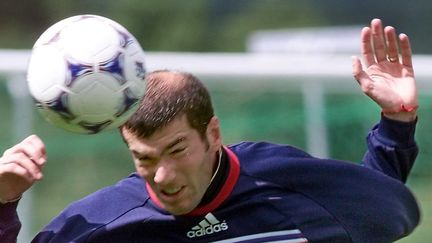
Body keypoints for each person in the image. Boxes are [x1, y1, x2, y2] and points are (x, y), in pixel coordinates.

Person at [0, 18, 420, 242]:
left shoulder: (284, 181)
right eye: (144, 158)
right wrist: (3, 201)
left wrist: (397, 121)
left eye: (177, 149)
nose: (162, 176)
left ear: (213, 134)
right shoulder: (101, 225)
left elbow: (373, 207)